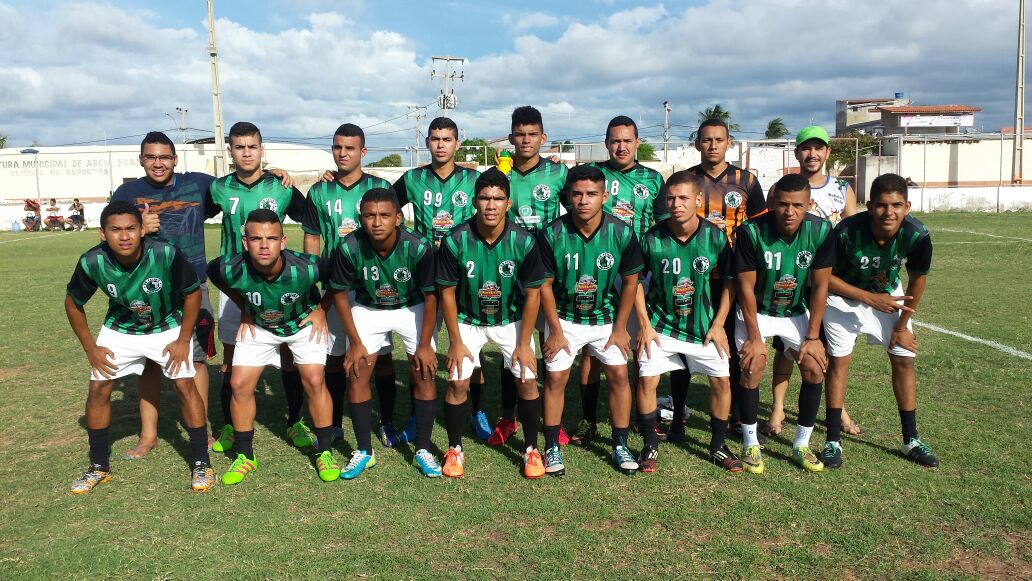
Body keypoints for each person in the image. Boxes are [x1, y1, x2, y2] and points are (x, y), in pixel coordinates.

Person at [64, 201, 213, 493]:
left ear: (142, 229)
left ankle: (201, 462)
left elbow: (192, 293)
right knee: (98, 388)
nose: (124, 236)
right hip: (120, 329)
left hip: (166, 326)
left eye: (131, 228)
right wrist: (90, 349)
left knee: (184, 384)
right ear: (102, 233)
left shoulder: (164, 253)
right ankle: (98, 466)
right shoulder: (91, 262)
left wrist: (183, 340)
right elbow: (73, 303)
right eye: (115, 230)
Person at [206, 209, 341, 485]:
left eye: (271, 238)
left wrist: (321, 309)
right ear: (245, 243)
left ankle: (324, 450)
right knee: (240, 383)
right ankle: (246, 456)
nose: (264, 245)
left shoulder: (307, 266)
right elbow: (213, 274)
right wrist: (243, 305)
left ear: (283, 241)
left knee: (315, 380)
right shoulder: (228, 266)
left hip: (301, 324)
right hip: (260, 326)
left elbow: (340, 276)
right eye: (256, 238)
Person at [820, 173, 939, 469]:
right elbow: (823, 278)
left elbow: (917, 281)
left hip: (888, 296)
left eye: (897, 205)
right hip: (842, 300)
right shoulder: (846, 230)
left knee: (904, 358)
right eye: (882, 205)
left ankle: (910, 439)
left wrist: (901, 327)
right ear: (870, 205)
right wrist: (868, 299)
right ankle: (833, 439)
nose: (890, 212)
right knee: (839, 363)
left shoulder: (917, 234)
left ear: (907, 206)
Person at [110, 131, 217, 460]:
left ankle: (203, 430)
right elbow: (114, 237)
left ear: (175, 159)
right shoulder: (127, 194)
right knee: (148, 365)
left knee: (196, 360)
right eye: (150, 157)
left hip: (193, 288)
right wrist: (139, 226)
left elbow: (242, 183)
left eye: (164, 157)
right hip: (145, 289)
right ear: (141, 159)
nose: (158, 163)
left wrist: (277, 175)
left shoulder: (199, 184)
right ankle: (149, 435)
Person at [205, 122, 310, 455]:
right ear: (230, 151)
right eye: (239, 147)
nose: (246, 152)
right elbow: (189, 220)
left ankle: (294, 421)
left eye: (252, 146)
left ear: (262, 150)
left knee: (289, 354)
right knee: (231, 357)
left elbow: (313, 220)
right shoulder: (218, 189)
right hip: (236, 286)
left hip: (279, 284)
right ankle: (230, 425)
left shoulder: (281, 187)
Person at [438, 168, 546, 478]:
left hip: (510, 319)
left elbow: (534, 295)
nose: (491, 205)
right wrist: (456, 342)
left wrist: (525, 344)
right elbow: (446, 293)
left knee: (526, 378)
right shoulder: (456, 238)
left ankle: (531, 450)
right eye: (485, 198)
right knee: (458, 381)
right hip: (467, 319)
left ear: (508, 203)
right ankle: (455, 449)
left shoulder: (523, 240)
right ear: (474, 201)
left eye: (498, 198)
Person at [537, 164, 644, 476]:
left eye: (591, 194)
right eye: (578, 194)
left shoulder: (622, 232)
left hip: (606, 319)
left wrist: (622, 328)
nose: (584, 200)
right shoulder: (552, 233)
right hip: (564, 318)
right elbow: (544, 285)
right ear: (568, 196)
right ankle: (552, 445)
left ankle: (620, 443)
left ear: (605, 196)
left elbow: (630, 282)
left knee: (619, 376)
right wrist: (554, 331)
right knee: (556, 378)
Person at [329, 188, 440, 478]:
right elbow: (340, 296)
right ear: (360, 218)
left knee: (424, 371)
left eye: (384, 215)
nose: (377, 222)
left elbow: (431, 297)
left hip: (411, 305)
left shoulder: (419, 246)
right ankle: (364, 451)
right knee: (357, 370)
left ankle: (423, 449)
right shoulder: (347, 247)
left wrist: (426, 344)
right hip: (369, 307)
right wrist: (353, 342)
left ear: (398, 218)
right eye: (369, 215)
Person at [634, 171, 740, 473]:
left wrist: (719, 323)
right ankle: (650, 445)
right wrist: (644, 324)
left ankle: (718, 446)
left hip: (703, 327)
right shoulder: (651, 237)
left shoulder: (715, 236)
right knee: (647, 379)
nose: (676, 204)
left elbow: (731, 283)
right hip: (660, 326)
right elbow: (636, 283)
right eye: (670, 198)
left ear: (698, 199)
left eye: (682, 198)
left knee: (721, 381)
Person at [571, 115, 667, 448]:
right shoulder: (595, 175)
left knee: (640, 345)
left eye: (627, 140)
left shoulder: (653, 179)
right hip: (597, 271)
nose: (621, 146)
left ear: (637, 142)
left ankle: (641, 418)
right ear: (607, 142)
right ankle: (587, 418)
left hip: (640, 274)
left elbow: (664, 225)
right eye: (615, 140)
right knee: (591, 351)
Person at [302, 123, 395, 446]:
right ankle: (335, 421)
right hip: (334, 287)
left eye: (350, 148)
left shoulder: (380, 186)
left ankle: (387, 421)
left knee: (379, 356)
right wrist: (312, 280)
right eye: (338, 147)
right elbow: (312, 238)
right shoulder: (319, 191)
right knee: (333, 355)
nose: (343, 153)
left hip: (372, 288)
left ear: (363, 152)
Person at [734, 173, 835, 474]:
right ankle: (750, 443)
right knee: (754, 364)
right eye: (783, 204)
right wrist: (754, 336)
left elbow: (820, 287)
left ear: (809, 204)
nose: (789, 212)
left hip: (794, 310)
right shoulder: (751, 231)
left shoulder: (821, 230)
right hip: (758, 309)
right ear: (772, 202)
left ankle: (801, 444)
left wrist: (814, 336)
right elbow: (745, 289)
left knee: (815, 366)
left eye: (797, 205)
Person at [388, 116, 479, 443]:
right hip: (424, 272)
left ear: (457, 143)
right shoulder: (412, 179)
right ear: (427, 142)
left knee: (472, 342)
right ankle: (417, 414)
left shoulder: (471, 179)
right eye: (435, 138)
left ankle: (477, 411)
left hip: (463, 271)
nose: (440, 144)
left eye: (447, 139)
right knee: (421, 347)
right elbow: (382, 205)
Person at [766, 126, 860, 437]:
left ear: (827, 152)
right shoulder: (783, 188)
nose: (812, 153)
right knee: (785, 347)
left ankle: (839, 408)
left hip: (826, 279)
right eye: (806, 148)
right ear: (797, 153)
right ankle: (778, 407)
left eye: (818, 148)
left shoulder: (843, 189)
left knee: (830, 348)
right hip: (791, 281)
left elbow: (852, 233)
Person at [679, 118, 768, 443]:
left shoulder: (746, 180)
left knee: (729, 342)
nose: (712, 145)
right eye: (706, 140)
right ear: (698, 143)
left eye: (718, 140)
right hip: (694, 276)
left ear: (728, 143)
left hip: (733, 276)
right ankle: (680, 408)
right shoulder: (688, 180)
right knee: (686, 339)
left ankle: (732, 414)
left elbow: (759, 226)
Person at [487, 105, 568, 448]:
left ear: (543, 138)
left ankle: (553, 420)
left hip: (549, 273)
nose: (525, 140)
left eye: (532, 134)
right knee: (513, 347)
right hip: (510, 272)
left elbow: (580, 209)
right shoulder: (499, 173)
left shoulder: (558, 174)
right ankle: (509, 418)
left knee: (549, 347)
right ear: (510, 137)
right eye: (519, 134)